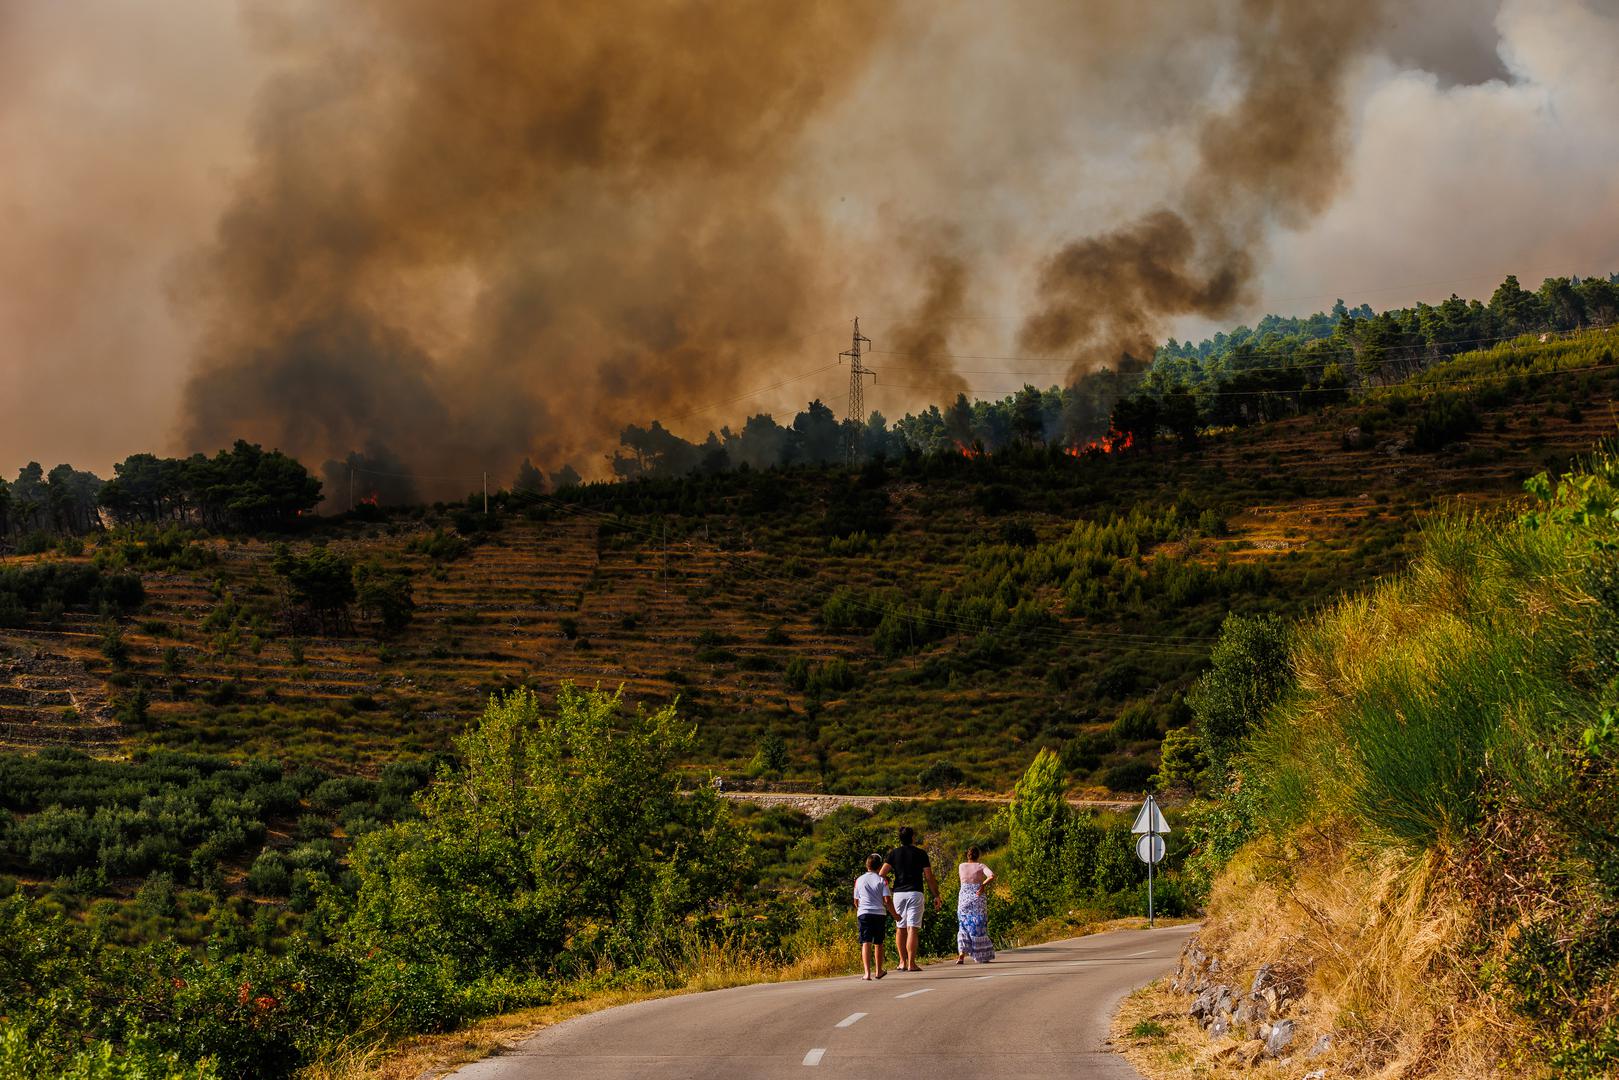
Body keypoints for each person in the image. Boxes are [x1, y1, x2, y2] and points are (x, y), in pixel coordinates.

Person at [880, 826, 940, 972]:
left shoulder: (893, 854)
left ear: (900, 839)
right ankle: (911, 963)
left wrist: (889, 889)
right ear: (912, 837)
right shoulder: (921, 853)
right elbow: (928, 876)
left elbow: (881, 874)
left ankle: (902, 961)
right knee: (912, 928)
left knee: (900, 927)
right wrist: (936, 895)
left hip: (899, 894)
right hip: (915, 892)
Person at [852, 852, 897, 980]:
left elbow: (856, 901)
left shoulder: (859, 880)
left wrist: (861, 909)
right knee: (878, 942)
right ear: (879, 866)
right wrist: (895, 915)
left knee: (866, 942)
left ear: (867, 865)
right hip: (879, 913)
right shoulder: (882, 880)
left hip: (864, 913)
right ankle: (878, 970)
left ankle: (867, 973)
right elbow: (887, 900)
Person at [954, 845, 995, 964]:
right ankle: (981, 955)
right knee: (978, 926)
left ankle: (961, 954)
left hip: (964, 899)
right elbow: (991, 876)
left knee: (963, 926)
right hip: (977, 898)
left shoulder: (961, 866)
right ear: (978, 855)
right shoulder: (981, 866)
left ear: (968, 855)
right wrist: (982, 885)